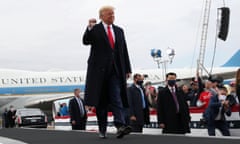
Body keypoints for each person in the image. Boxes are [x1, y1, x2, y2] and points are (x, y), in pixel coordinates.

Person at [82, 6, 132, 139]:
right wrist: (89, 28)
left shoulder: (119, 31)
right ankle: (102, 129)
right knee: (101, 102)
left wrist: (127, 69)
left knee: (116, 97)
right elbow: (86, 41)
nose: (112, 16)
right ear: (101, 16)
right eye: (109, 14)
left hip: (115, 71)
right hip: (99, 73)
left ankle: (120, 125)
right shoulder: (95, 29)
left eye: (113, 14)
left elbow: (124, 51)